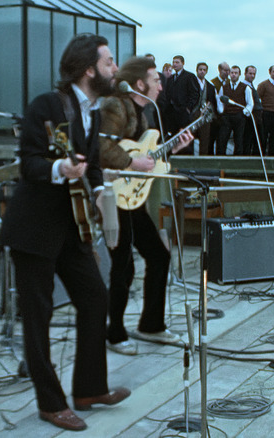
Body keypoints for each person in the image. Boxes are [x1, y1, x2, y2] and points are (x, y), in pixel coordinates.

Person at [0, 34, 129, 432]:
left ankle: (88, 389)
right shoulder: (48, 106)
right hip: (34, 228)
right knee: (37, 319)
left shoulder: (92, 111)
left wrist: (101, 191)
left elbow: (90, 166)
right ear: (89, 69)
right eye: (109, 62)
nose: (115, 69)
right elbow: (30, 164)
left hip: (72, 225)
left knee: (95, 298)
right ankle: (50, 403)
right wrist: (59, 169)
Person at [98, 56, 192, 356]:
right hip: (112, 195)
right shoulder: (116, 106)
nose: (161, 85)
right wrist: (132, 162)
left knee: (158, 255)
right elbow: (103, 149)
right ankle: (114, 333)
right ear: (140, 84)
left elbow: (148, 157)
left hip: (131, 198)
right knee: (122, 265)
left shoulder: (145, 115)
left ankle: (150, 325)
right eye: (155, 80)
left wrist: (172, 149)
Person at [164, 55, 199, 149]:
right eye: (173, 62)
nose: (174, 64)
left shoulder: (189, 76)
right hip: (172, 114)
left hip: (183, 113)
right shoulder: (171, 79)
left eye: (177, 62)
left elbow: (195, 94)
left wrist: (188, 108)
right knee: (172, 139)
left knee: (185, 137)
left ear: (183, 63)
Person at [216, 65, 251, 156]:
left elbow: (250, 103)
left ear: (239, 74)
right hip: (227, 116)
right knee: (222, 139)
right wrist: (222, 111)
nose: (234, 75)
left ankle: (238, 161)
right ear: (229, 74)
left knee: (239, 140)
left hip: (239, 116)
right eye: (232, 73)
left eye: (236, 73)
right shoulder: (224, 87)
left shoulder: (245, 88)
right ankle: (221, 161)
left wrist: (244, 113)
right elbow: (220, 101)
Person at [256, 65, 274, 156]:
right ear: (270, 72)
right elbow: (257, 98)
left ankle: (272, 157)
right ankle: (261, 157)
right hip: (266, 114)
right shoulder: (263, 85)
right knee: (263, 137)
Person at [194, 62, 217, 155]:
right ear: (197, 70)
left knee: (205, 139)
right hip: (193, 114)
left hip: (205, 116)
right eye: (200, 69)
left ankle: (202, 161)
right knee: (189, 139)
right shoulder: (191, 83)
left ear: (206, 71)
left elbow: (212, 101)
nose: (202, 72)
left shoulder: (210, 86)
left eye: (204, 70)